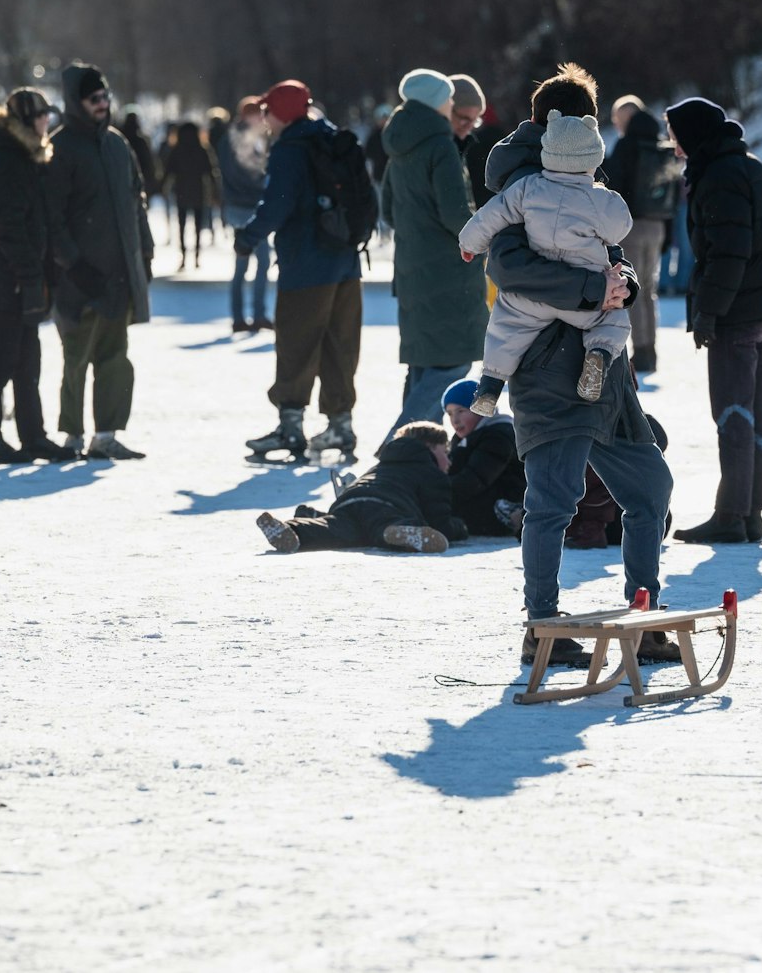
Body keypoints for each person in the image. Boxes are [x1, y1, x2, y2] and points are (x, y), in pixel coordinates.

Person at [479, 63, 678, 669]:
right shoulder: (519, 183)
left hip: (605, 366)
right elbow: (509, 269)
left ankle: (643, 615)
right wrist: (597, 289)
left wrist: (626, 286)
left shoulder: (584, 172)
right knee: (554, 502)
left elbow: (614, 254)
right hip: (547, 362)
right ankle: (541, 625)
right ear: (552, 124)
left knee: (650, 489)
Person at [665, 97, 762, 546]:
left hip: (739, 312)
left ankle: (731, 513)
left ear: (694, 134)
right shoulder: (745, 164)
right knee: (755, 410)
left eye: (675, 134)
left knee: (733, 413)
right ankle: (752, 510)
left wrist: (709, 312)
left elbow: (728, 252)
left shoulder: (719, 174)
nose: (672, 143)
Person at [457, 110, 632, 416]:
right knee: (613, 320)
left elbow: (493, 213)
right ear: (593, 159)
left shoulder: (527, 188)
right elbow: (619, 230)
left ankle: (490, 384)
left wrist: (469, 242)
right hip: (587, 295)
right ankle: (599, 355)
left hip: (530, 297)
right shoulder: (599, 199)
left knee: (504, 327)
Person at [238, 80, 368, 462]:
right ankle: (341, 426)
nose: (263, 118)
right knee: (339, 345)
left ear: (278, 114)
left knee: (297, 344)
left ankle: (290, 428)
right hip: (346, 262)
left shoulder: (290, 150)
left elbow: (277, 204)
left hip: (306, 265)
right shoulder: (331, 139)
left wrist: (248, 237)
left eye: (267, 111)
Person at [44, 62, 156, 460]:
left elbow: (136, 201)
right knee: (76, 359)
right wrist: (73, 266)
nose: (102, 104)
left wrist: (144, 251)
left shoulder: (116, 144)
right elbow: (51, 219)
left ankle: (105, 435)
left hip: (119, 274)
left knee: (115, 359)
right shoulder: (60, 147)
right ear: (76, 101)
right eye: (94, 98)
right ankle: (72, 436)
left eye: (105, 96)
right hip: (77, 280)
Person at [0, 89, 77, 465]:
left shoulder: (24, 156)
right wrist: (28, 274)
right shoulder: (7, 159)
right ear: (26, 120)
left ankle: (33, 436)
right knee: (0, 360)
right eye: (42, 116)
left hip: (20, 277)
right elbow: (9, 226)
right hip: (8, 280)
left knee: (27, 360)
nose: (48, 122)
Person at [380, 68, 487, 432]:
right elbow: (455, 215)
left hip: (413, 270)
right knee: (453, 363)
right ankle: (397, 450)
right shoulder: (439, 144)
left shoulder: (401, 144)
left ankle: (416, 458)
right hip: (447, 274)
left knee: (425, 367)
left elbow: (387, 209)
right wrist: (488, 235)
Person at [254, 421, 468, 554]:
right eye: (444, 452)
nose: (448, 461)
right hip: (389, 506)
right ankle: (397, 533)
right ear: (429, 448)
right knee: (384, 527)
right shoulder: (432, 474)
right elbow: (438, 518)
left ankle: (293, 530)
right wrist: (459, 527)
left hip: (350, 500)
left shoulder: (381, 465)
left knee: (333, 528)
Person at [602, 95, 683, 375]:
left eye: (616, 119)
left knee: (631, 290)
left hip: (631, 227)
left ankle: (641, 351)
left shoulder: (627, 146)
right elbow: (672, 192)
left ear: (626, 118)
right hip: (658, 226)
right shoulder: (661, 145)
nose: (616, 124)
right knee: (649, 289)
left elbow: (612, 188)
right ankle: (649, 349)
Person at [441, 378, 527, 537]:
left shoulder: (499, 435)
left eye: (461, 411)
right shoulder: (463, 439)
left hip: (500, 506)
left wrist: (436, 494)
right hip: (479, 502)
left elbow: (474, 480)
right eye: (450, 413)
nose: (455, 420)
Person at [220, 96, 274, 333]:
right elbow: (240, 172)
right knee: (256, 260)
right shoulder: (238, 137)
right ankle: (251, 315)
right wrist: (263, 184)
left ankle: (246, 315)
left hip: (244, 204)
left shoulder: (249, 136)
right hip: (245, 205)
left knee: (249, 262)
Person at [162, 120, 220, 272]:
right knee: (198, 227)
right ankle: (196, 257)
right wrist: (215, 192)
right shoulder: (202, 149)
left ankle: (183, 256)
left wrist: (163, 188)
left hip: (181, 192)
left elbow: (168, 171)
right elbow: (211, 172)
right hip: (199, 192)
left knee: (181, 226)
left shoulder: (176, 150)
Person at [447, 74, 497, 207]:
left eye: (475, 121)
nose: (468, 127)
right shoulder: (438, 149)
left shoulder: (465, 145)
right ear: (447, 111)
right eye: (464, 118)